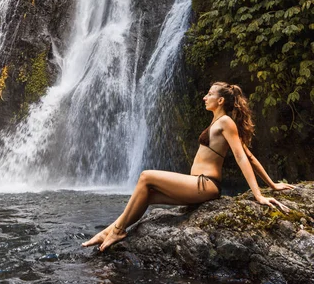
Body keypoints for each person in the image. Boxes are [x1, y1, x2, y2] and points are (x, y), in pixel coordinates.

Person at [82, 81, 295, 252]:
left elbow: (242, 158)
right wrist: (273, 184)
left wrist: (259, 194)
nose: (205, 97)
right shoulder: (217, 122)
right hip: (198, 185)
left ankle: (118, 230)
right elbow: (251, 157)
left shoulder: (226, 122)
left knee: (146, 176)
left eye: (209, 94)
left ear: (220, 100)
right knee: (146, 194)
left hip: (205, 185)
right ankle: (109, 230)